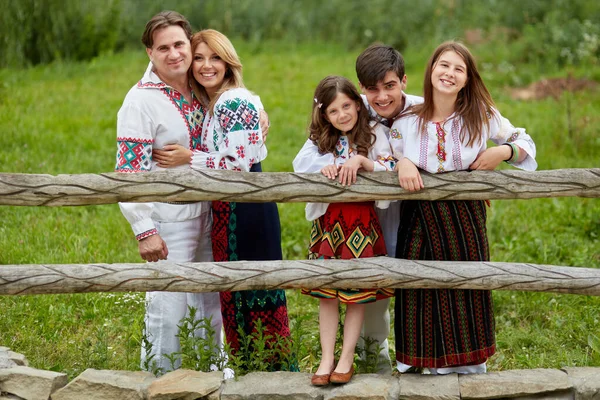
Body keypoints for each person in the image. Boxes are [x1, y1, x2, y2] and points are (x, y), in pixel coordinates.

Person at [389, 41, 537, 375]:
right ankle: (419, 364)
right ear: (431, 70)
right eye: (444, 65)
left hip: (464, 218)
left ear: (468, 79)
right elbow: (387, 155)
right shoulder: (407, 122)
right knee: (419, 285)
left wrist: (504, 153)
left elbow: (524, 141)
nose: (449, 73)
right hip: (419, 217)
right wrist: (402, 163)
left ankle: (468, 365)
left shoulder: (480, 116)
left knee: (467, 283)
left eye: (459, 69)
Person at [152, 29, 293, 371]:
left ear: (229, 63)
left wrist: (190, 158)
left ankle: (272, 376)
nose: (205, 65)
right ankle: (251, 372)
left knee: (253, 290)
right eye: (198, 58)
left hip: (246, 209)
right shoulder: (217, 102)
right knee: (236, 294)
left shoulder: (232, 100)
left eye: (215, 57)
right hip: (228, 208)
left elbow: (239, 163)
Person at [115, 11, 222, 373]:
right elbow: (128, 173)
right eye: (164, 48)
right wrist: (144, 229)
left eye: (179, 44)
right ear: (150, 52)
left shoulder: (203, 87)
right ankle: (159, 378)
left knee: (213, 294)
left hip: (211, 211)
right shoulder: (140, 101)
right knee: (168, 305)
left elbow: (233, 140)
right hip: (169, 218)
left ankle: (214, 373)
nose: (174, 54)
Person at [292, 75, 395, 385]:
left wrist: (365, 162)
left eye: (347, 106)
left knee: (356, 291)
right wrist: (323, 164)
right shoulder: (322, 139)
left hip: (361, 225)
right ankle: (326, 357)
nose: (342, 116)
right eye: (333, 111)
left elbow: (392, 164)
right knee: (328, 293)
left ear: (358, 103)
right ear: (324, 114)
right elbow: (301, 163)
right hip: (329, 225)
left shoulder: (374, 134)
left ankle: (347, 356)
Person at [354, 43, 423, 373]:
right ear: (362, 89)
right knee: (373, 284)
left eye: (390, 86)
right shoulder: (354, 117)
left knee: (419, 287)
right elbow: (314, 150)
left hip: (420, 215)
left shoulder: (425, 112)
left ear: (404, 81)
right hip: (373, 215)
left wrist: (507, 150)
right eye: (372, 89)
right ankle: (374, 359)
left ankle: (417, 359)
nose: (382, 97)